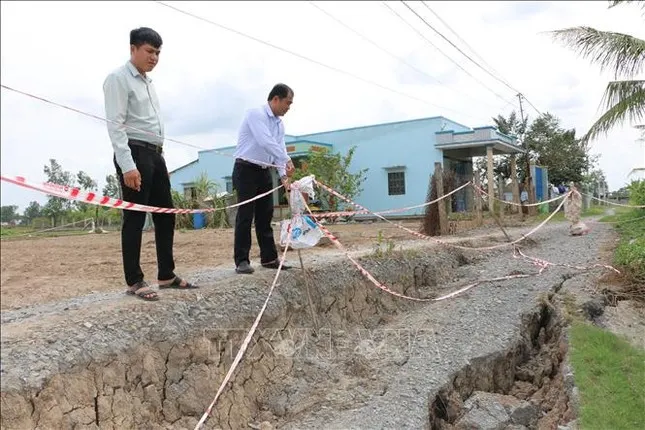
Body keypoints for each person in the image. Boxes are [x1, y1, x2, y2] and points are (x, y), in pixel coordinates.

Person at [103, 27, 198, 301]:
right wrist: (128, 165)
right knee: (134, 216)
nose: (154, 57)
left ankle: (166, 274)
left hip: (155, 154)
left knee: (165, 214)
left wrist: (160, 157)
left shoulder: (148, 82)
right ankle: (134, 280)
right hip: (134, 153)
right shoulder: (118, 79)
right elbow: (116, 125)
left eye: (158, 53)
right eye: (149, 51)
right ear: (133, 49)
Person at [232, 83, 296, 274]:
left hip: (264, 171)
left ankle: (269, 258)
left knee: (265, 215)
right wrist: (287, 160)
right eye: (287, 102)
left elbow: (279, 149)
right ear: (275, 99)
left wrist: (284, 176)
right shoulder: (255, 114)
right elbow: (265, 141)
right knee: (245, 215)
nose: (288, 107)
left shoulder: (279, 124)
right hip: (245, 170)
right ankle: (242, 260)